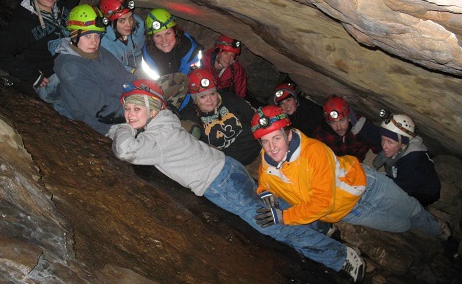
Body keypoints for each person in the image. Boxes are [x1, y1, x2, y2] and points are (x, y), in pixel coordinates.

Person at [108, 80, 368, 284]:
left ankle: (340, 257)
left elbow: (126, 151)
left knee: (271, 225)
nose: (130, 114)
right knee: (270, 208)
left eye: (136, 108)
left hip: (221, 183)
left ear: (153, 109)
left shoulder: (159, 137)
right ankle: (321, 227)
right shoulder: (163, 124)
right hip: (226, 169)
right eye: (128, 109)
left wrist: (122, 127)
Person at [251, 106, 450, 244]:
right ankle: (421, 228)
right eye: (265, 141)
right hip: (350, 212)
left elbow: (322, 203)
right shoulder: (267, 163)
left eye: (276, 138)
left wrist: (285, 216)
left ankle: (438, 228)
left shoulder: (313, 152)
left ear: (288, 133)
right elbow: (265, 179)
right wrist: (265, 192)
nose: (272, 147)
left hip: (367, 186)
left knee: (411, 211)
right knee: (402, 225)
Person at [54, 4, 136, 135]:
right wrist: (139, 111)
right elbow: (103, 111)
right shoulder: (70, 68)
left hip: (125, 108)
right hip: (103, 126)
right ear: (74, 35)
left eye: (97, 36)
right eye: (88, 36)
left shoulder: (99, 52)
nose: (94, 42)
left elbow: (127, 78)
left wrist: (146, 95)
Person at [181, 68, 260, 165]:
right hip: (230, 165)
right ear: (194, 99)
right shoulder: (189, 117)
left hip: (258, 150)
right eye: (203, 96)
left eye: (212, 93)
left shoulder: (230, 100)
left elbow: (256, 118)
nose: (209, 100)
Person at [141, 8, 203, 110]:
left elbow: (193, 82)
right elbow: (152, 85)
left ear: (175, 32)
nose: (164, 40)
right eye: (158, 36)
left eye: (168, 33)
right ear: (151, 38)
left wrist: (177, 108)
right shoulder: (148, 56)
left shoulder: (190, 50)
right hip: (161, 99)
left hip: (190, 97)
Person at [373, 113, 441, 207]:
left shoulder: (412, 163)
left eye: (390, 142)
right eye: (383, 139)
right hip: (407, 179)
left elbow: (397, 190)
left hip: (424, 194)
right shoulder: (402, 145)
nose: (384, 146)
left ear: (402, 144)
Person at [313, 95, 382, 163]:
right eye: (333, 122)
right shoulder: (321, 136)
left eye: (342, 120)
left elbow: (378, 146)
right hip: (337, 167)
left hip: (360, 162)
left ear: (349, 117)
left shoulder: (361, 125)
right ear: (328, 122)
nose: (339, 127)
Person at [98, 0, 146, 75]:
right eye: (122, 21)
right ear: (111, 22)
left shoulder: (139, 27)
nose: (129, 25)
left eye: (130, 18)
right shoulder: (104, 42)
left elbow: (139, 52)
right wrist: (134, 72)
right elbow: (114, 66)